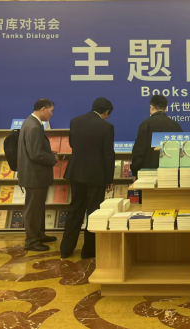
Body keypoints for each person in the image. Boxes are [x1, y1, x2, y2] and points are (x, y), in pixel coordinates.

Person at [60, 97, 116, 260]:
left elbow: (72, 144)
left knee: (75, 210)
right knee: (93, 212)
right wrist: (109, 178)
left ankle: (66, 249)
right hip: (96, 175)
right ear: (106, 112)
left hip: (76, 172)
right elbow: (108, 154)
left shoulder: (75, 121)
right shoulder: (107, 127)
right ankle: (89, 251)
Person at [18, 98, 59, 252]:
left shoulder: (31, 123)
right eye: (51, 110)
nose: (52, 114)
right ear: (43, 109)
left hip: (35, 175)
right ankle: (32, 241)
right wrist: (53, 158)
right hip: (34, 176)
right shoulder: (34, 126)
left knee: (38, 207)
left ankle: (39, 235)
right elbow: (35, 154)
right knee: (33, 209)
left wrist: (47, 152)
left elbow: (34, 150)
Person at [130, 95, 182, 179]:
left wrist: (135, 172)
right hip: (171, 173)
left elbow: (139, 151)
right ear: (166, 108)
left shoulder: (145, 124)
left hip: (148, 173)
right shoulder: (176, 125)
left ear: (152, 107)